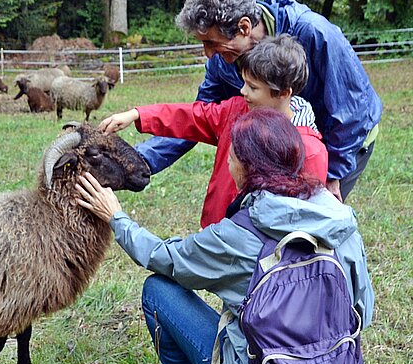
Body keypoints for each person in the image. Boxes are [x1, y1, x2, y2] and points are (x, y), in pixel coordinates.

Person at [75, 109, 374, 364]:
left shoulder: (239, 234)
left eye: (230, 154)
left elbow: (163, 257)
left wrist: (117, 217)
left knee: (158, 291)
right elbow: (363, 311)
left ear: (244, 167)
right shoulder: (340, 221)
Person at [135, 0, 381, 202]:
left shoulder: (313, 33)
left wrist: (332, 173)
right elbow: (199, 117)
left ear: (243, 28)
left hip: (340, 141)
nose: (208, 54)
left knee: (308, 224)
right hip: (282, 144)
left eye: (211, 42)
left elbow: (352, 111)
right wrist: (139, 161)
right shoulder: (223, 61)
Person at [99, 34, 328, 228]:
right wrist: (138, 114)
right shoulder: (237, 110)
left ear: (284, 93)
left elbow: (304, 219)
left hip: (260, 259)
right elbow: (193, 116)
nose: (242, 91)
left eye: (253, 87)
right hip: (216, 233)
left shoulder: (308, 151)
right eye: (244, 82)